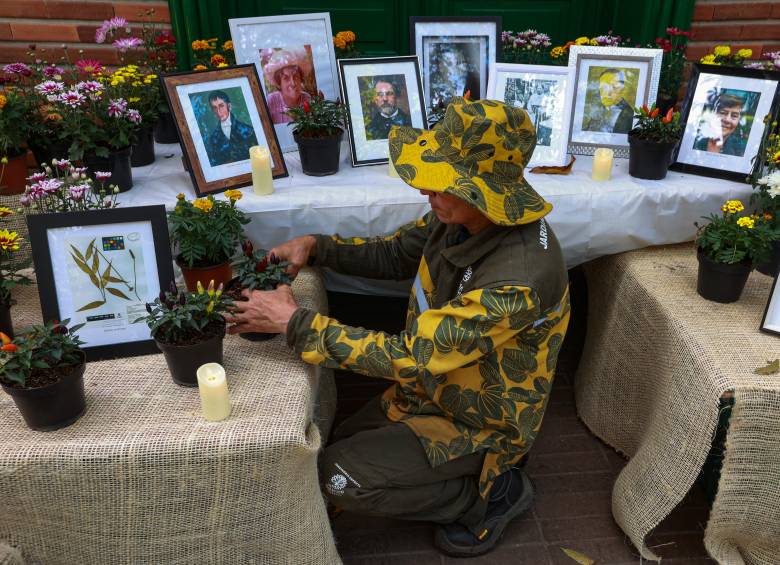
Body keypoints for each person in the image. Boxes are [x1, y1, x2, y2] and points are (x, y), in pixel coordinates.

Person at [225, 97, 570, 558]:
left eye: (441, 182)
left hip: (477, 422)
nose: (427, 191)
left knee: (339, 477)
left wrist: (295, 323)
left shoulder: (518, 280)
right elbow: (395, 253)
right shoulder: (463, 217)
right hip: (432, 390)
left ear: (480, 189)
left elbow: (411, 356)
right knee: (338, 443)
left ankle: (487, 496)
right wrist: (317, 247)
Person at [203, 90, 258, 167]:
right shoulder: (212, 139)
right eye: (215, 108)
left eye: (221, 106)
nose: (218, 111)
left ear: (229, 106)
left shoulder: (249, 131)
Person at [262, 49, 313, 124]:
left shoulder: (307, 99)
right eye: (286, 78)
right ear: (279, 83)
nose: (293, 83)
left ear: (300, 79)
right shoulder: (270, 101)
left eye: (295, 77)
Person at [693, 93, 748, 157]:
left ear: (739, 120)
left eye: (734, 116)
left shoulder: (742, 150)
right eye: (722, 113)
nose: (727, 120)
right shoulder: (693, 137)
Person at [582, 68, 633, 134]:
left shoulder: (629, 115)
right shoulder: (598, 110)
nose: (608, 93)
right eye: (603, 87)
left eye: (614, 87)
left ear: (622, 90)